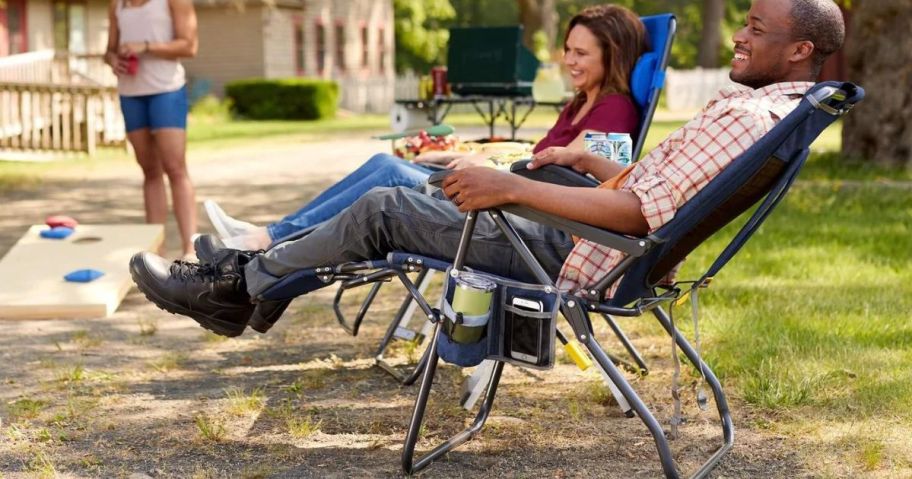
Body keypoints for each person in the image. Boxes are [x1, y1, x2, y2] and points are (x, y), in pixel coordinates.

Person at [129, 0, 846, 339]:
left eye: (757, 28)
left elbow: (637, 216)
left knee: (383, 205)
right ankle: (249, 282)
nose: (743, 37)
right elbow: (646, 192)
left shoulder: (750, 118)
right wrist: (580, 162)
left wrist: (511, 185)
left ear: (800, 52)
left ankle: (238, 286)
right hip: (578, 228)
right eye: (745, 22)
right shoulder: (768, 112)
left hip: (572, 252)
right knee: (386, 188)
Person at [200, 4, 646, 251]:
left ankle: (268, 239)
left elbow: (563, 177)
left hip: (509, 210)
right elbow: (535, 152)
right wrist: (481, 152)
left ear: (613, 56)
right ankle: (270, 238)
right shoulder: (580, 105)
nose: (569, 60)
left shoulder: (613, 114)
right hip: (496, 185)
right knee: (391, 162)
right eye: (567, 49)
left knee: (388, 173)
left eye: (581, 54)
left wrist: (489, 165)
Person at [106, 0, 199, 257]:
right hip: (131, 92)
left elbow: (189, 45)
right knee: (150, 171)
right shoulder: (117, 4)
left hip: (166, 90)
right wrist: (113, 59)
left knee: (175, 168)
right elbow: (109, 50)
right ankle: (156, 252)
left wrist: (145, 47)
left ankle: (190, 250)